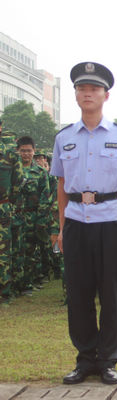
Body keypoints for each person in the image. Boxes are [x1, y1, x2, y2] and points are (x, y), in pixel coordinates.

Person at [50, 62, 117, 385]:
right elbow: (61, 185)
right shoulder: (64, 137)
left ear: (106, 95)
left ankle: (108, 360)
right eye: (82, 89)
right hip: (76, 220)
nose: (87, 94)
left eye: (94, 89)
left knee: (110, 293)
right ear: (75, 95)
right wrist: (62, 228)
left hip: (109, 221)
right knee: (78, 293)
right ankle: (85, 358)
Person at [13, 136, 51, 295]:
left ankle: (27, 283)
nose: (26, 154)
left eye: (29, 151)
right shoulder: (12, 170)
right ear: (17, 151)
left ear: (34, 151)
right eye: (23, 151)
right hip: (14, 216)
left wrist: (41, 219)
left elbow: (45, 196)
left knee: (30, 251)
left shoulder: (40, 172)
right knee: (14, 251)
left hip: (32, 216)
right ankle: (13, 285)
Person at [0, 120, 24, 304]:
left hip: (3, 206)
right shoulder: (11, 152)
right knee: (4, 251)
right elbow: (18, 181)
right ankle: (4, 294)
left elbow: (17, 182)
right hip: (4, 205)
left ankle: (4, 293)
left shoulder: (10, 152)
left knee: (4, 251)